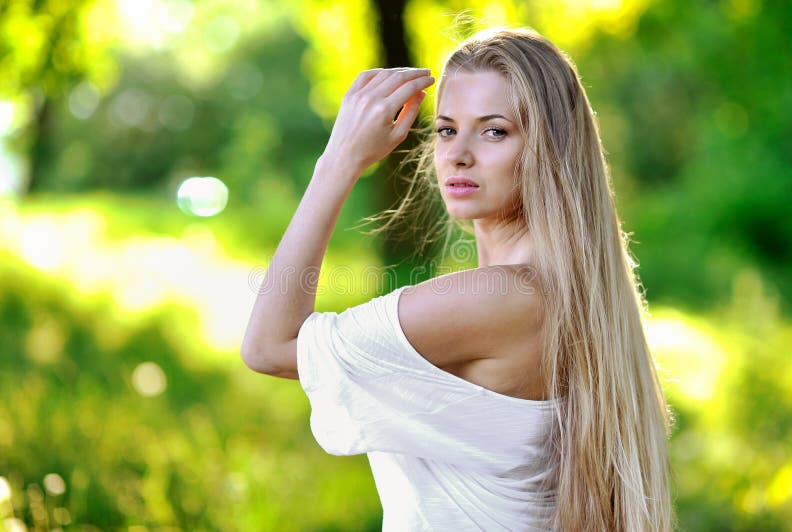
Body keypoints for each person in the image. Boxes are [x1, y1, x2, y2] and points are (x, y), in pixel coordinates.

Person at [241, 27, 675, 531]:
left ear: (548, 149)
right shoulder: (571, 295)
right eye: (446, 129)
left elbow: (268, 347)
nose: (458, 154)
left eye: (494, 131)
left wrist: (338, 161)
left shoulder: (501, 300)